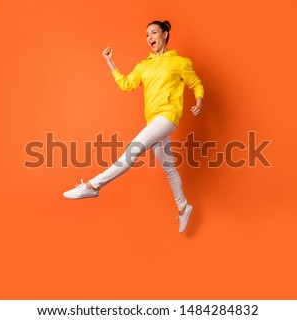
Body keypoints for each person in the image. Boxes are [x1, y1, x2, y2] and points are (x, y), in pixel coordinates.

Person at [63, 20, 204, 234]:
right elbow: (126, 84)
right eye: (146, 35)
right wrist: (110, 62)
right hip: (153, 121)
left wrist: (199, 102)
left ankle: (93, 186)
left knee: (134, 149)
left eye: (154, 33)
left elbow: (196, 84)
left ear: (165, 34)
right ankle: (184, 207)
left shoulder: (180, 62)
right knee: (169, 168)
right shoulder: (143, 66)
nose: (150, 38)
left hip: (168, 116)